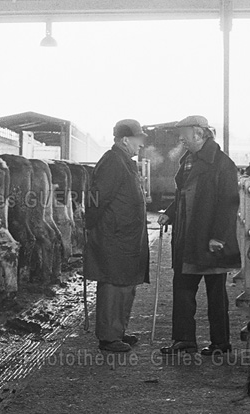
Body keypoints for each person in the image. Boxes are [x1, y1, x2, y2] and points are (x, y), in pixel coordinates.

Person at [157, 115, 241, 356]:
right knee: (182, 288)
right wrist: (170, 213)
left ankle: (220, 343)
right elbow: (183, 193)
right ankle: (184, 339)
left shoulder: (222, 163)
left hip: (209, 239)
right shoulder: (189, 161)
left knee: (216, 293)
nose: (180, 138)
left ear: (198, 133)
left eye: (183, 133)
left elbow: (229, 203)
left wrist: (219, 237)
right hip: (187, 236)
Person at [84, 119, 150, 353]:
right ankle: (109, 337)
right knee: (113, 285)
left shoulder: (124, 161)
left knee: (125, 284)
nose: (141, 144)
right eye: (138, 139)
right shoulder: (113, 162)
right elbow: (96, 199)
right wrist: (91, 226)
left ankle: (118, 332)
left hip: (125, 237)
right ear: (124, 140)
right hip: (114, 237)